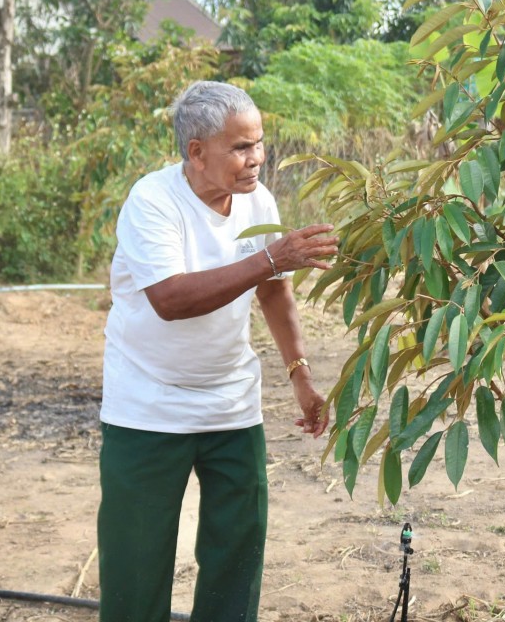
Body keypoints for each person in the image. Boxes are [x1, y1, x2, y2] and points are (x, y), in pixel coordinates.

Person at [96, 80, 339, 622]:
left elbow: (274, 292)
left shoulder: (258, 201)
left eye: (258, 144)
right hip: (147, 408)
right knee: (135, 566)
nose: (255, 160)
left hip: (231, 405)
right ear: (197, 153)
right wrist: (269, 259)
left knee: (237, 555)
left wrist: (299, 374)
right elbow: (171, 299)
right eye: (240, 147)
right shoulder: (153, 202)